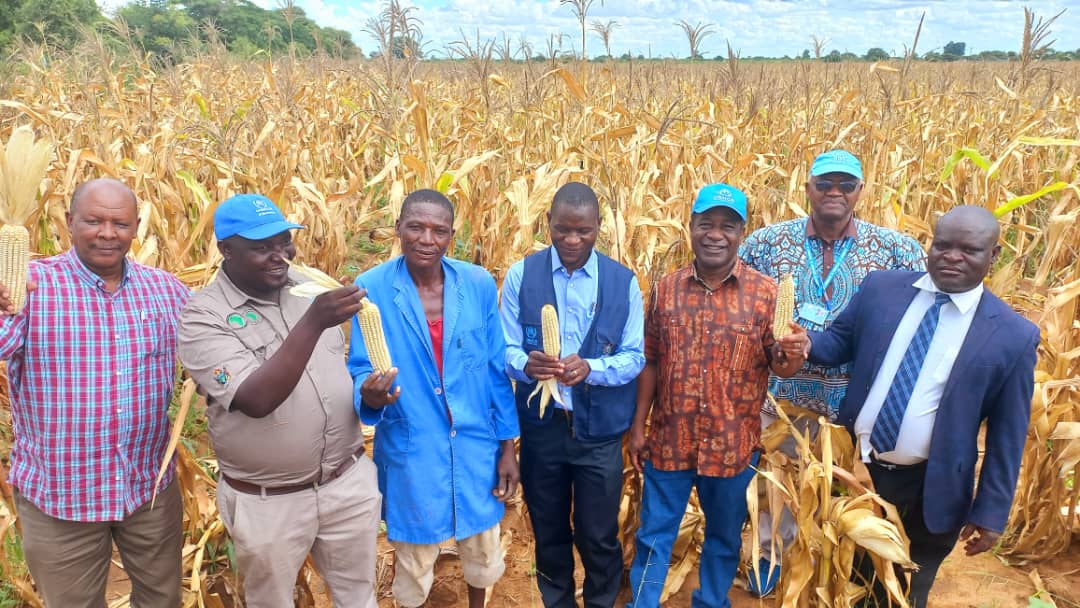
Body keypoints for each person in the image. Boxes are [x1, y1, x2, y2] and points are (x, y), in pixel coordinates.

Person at [789, 205, 1038, 607]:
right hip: (856, 470)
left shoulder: (1012, 335)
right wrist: (807, 344)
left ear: (993, 256)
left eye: (969, 250)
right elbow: (838, 343)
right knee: (841, 577)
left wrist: (991, 513)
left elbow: (1008, 437)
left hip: (931, 488)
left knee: (905, 591)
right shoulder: (882, 290)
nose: (951, 257)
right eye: (943, 245)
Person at [178, 193, 381, 607]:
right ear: (226, 250)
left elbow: (340, 368)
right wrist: (314, 322)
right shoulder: (203, 317)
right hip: (268, 501)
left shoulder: (310, 287)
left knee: (359, 597)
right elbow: (255, 398)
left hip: (346, 483)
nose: (280, 256)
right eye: (261, 247)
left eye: (284, 242)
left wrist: (370, 394)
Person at [738, 149, 925, 595]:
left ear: (861, 191)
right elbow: (738, 307)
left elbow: (919, 320)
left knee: (855, 493)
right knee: (774, 489)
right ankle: (770, 565)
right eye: (824, 184)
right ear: (807, 188)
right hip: (780, 398)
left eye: (846, 185)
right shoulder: (765, 244)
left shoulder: (897, 250)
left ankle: (844, 576)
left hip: (856, 403)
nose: (834, 193)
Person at [0, 178, 189, 607]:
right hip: (61, 496)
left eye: (120, 223)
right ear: (69, 222)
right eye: (94, 221)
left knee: (162, 599)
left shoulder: (167, 291)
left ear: (137, 227)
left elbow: (213, 349)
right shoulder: (30, 287)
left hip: (147, 491)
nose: (108, 233)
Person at [626, 184, 807, 608]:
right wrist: (639, 426)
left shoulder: (765, 294)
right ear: (690, 227)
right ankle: (643, 603)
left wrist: (791, 354)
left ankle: (710, 601)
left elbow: (780, 364)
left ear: (741, 233)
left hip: (733, 445)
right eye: (706, 224)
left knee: (724, 536)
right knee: (654, 534)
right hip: (669, 439)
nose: (715, 234)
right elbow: (650, 360)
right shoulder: (665, 289)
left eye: (727, 226)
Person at [348, 189, 520, 608]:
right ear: (398, 230)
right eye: (416, 227)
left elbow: (496, 370)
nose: (427, 239)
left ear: (451, 236)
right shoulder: (371, 288)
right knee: (414, 556)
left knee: (482, 545)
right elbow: (359, 369)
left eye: (438, 230)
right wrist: (369, 396)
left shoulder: (477, 284)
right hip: (414, 447)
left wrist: (508, 448)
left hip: (477, 444)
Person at [499, 182, 645, 608]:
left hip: (598, 435)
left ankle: (600, 601)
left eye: (583, 231)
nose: (572, 241)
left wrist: (592, 369)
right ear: (548, 224)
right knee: (548, 530)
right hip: (543, 429)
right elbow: (505, 347)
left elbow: (635, 357)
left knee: (598, 533)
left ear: (600, 226)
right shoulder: (521, 275)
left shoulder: (623, 283)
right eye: (562, 230)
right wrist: (525, 364)